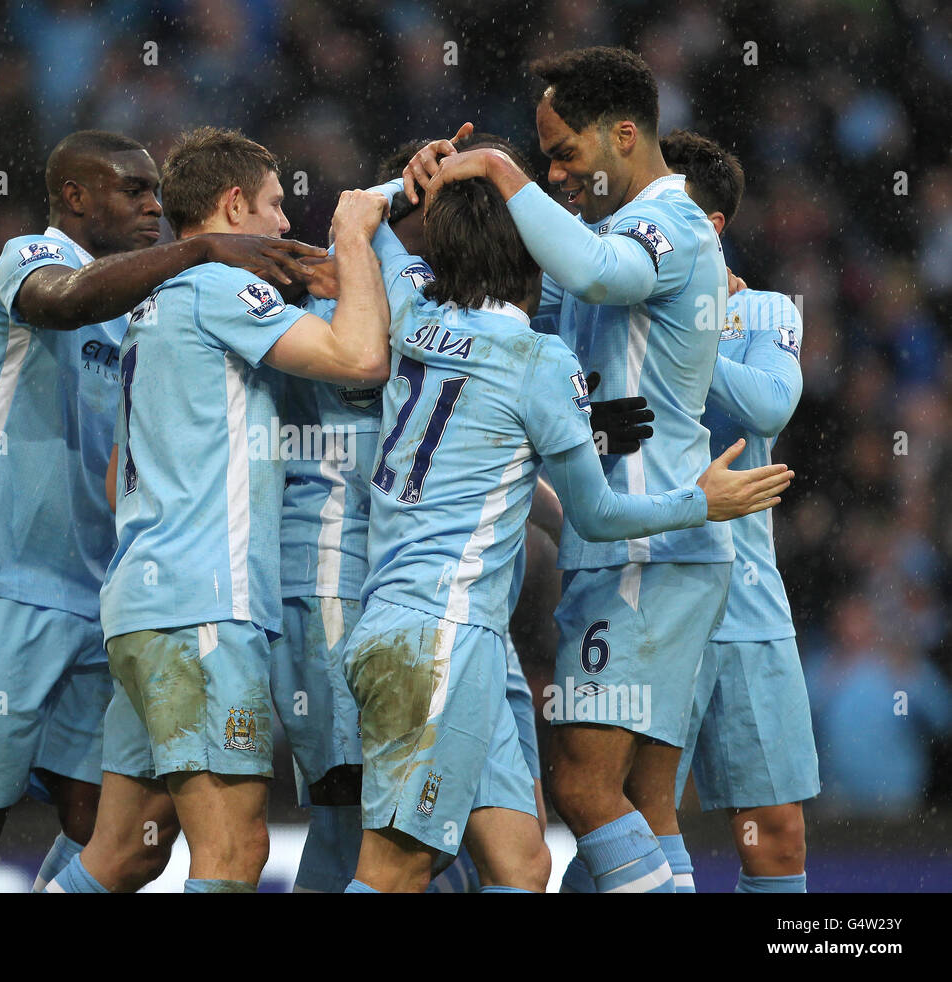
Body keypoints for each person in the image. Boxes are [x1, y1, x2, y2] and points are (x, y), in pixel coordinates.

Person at [0, 129, 325, 894]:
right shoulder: (30, 260)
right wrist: (203, 251)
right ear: (76, 197)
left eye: (157, 190)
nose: (152, 204)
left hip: (101, 598)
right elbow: (64, 303)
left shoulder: (147, 304)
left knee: (113, 832)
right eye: (132, 191)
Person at [342, 151, 791, 892]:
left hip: (406, 625)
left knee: (522, 864)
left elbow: (358, 213)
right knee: (397, 868)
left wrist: (410, 180)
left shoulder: (412, 312)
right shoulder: (536, 358)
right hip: (443, 636)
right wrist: (701, 503)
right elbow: (601, 512)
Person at [404, 45, 744, 893]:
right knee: (636, 798)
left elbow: (596, 273)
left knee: (581, 787)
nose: (554, 172)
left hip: (642, 540)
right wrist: (416, 202)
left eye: (565, 153)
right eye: (543, 155)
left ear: (623, 135)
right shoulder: (609, 231)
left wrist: (498, 170)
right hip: (644, 541)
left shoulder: (665, 223)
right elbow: (501, 299)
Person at [47, 126, 390, 894]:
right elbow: (361, 359)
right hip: (205, 606)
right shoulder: (221, 288)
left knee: (124, 853)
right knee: (234, 856)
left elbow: (116, 481)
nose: (282, 225)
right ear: (234, 204)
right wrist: (357, 239)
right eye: (272, 207)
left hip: (143, 605)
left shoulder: (154, 302)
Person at [662, 129, 820, 893]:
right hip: (648, 589)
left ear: (711, 226)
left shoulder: (764, 311)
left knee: (776, 835)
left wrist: (681, 338)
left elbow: (770, 402)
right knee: (632, 821)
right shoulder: (612, 301)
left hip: (749, 600)